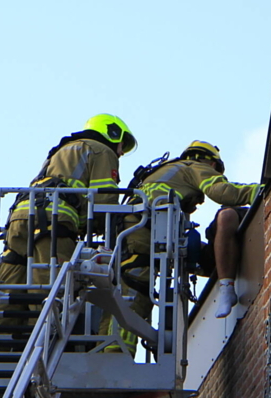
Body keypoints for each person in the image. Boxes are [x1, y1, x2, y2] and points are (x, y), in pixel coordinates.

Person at [104, 141, 262, 353]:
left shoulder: (164, 172)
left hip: (129, 232)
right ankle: (116, 355)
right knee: (135, 292)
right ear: (211, 162)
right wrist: (260, 191)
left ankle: (107, 348)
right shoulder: (196, 166)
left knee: (124, 287)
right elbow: (223, 192)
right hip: (144, 233)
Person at [0, 114, 137, 296]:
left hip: (20, 217)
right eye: (122, 145)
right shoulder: (102, 151)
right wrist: (108, 230)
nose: (121, 152)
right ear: (112, 133)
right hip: (54, 221)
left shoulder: (61, 150)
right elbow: (104, 200)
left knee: (9, 288)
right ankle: (44, 324)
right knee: (50, 290)